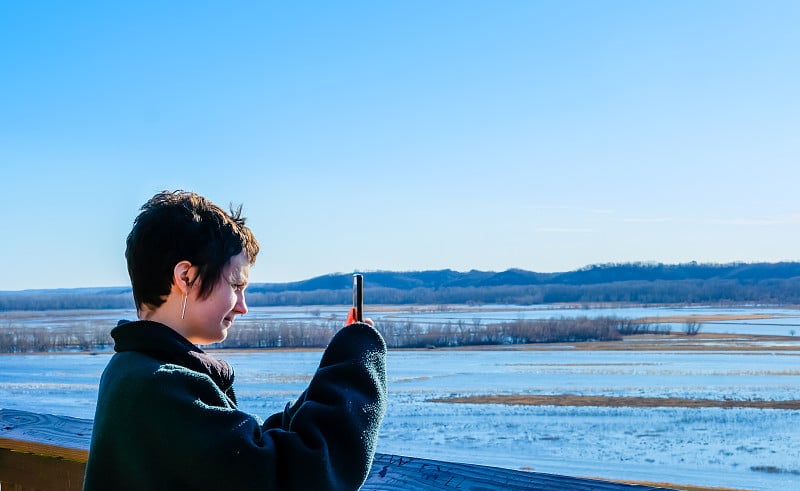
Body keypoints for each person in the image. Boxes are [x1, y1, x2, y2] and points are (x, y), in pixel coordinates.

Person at [83, 190, 387, 491]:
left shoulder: (131, 369)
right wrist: (357, 359)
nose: (243, 306)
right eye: (236, 285)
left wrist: (326, 381)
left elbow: (241, 455)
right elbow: (298, 474)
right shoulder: (160, 386)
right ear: (186, 276)